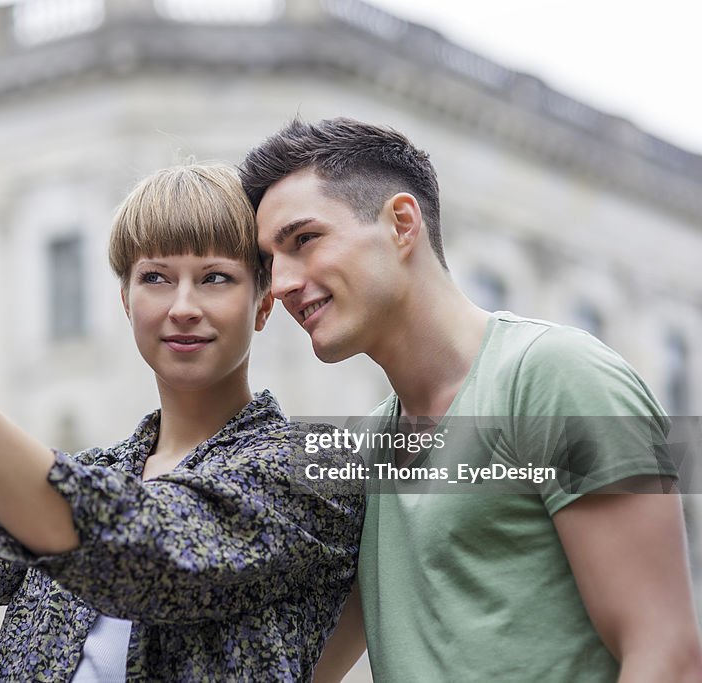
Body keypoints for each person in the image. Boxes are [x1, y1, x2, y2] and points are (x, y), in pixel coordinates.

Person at [0, 162, 362, 681]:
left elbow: (135, 546)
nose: (183, 306)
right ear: (125, 300)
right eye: (155, 277)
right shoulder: (98, 472)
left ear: (262, 304)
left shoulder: (318, 465)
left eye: (215, 277)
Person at [240, 117, 702, 682]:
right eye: (269, 262)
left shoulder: (557, 377)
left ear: (402, 224)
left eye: (304, 240)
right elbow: (292, 669)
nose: (282, 281)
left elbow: (668, 658)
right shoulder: (361, 451)